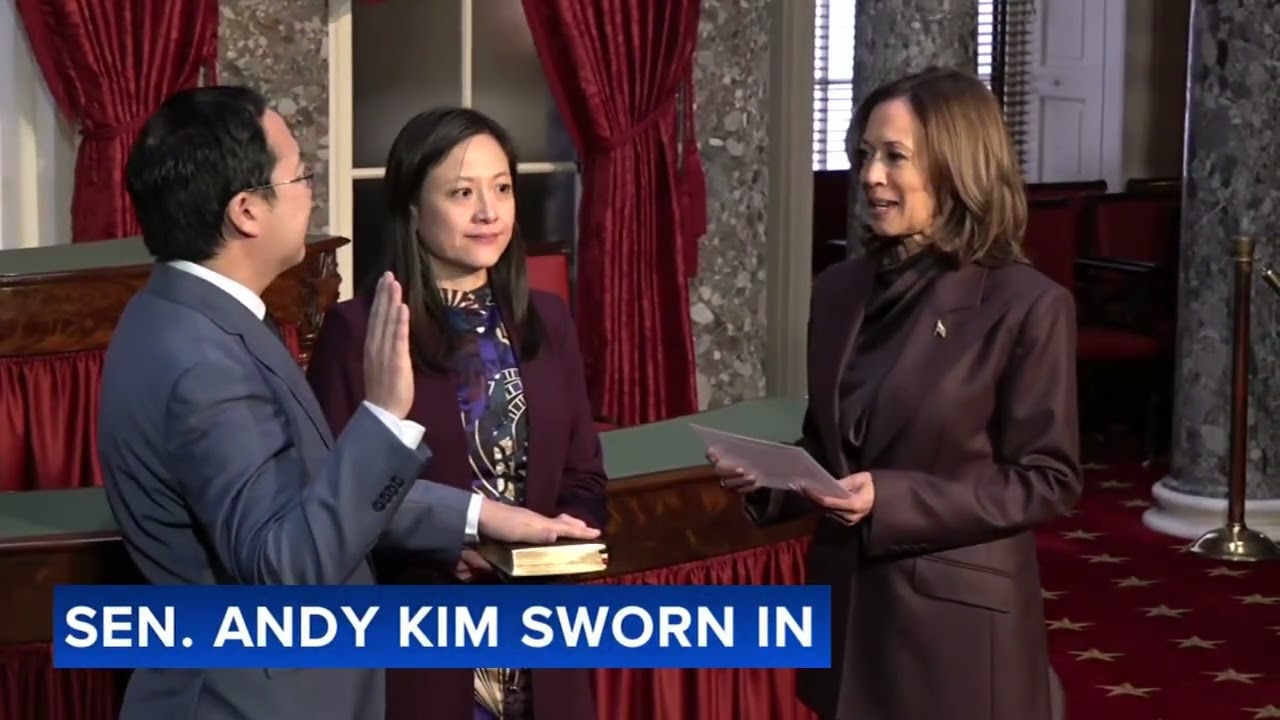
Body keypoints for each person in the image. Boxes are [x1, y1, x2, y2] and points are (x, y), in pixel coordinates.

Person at [98, 86, 600, 720]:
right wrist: (386, 418)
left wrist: (482, 517)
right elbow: (285, 565)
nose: (313, 192)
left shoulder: (191, 319)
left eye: (501, 188)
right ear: (248, 211)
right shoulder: (204, 360)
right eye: (301, 173)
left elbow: (311, 490)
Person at [711, 67, 1082, 720]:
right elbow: (831, 445)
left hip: (954, 635)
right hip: (848, 610)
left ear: (956, 167)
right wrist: (770, 479)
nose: (870, 176)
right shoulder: (838, 290)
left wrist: (893, 499)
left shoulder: (1026, 305)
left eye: (894, 156)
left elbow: (1047, 480)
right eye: (865, 156)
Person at [306, 107, 605, 720]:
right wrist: (458, 543)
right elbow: (335, 504)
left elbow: (585, 478)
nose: (488, 212)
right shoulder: (358, 330)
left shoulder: (548, 318)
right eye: (462, 193)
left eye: (501, 189)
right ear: (413, 209)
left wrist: (552, 546)